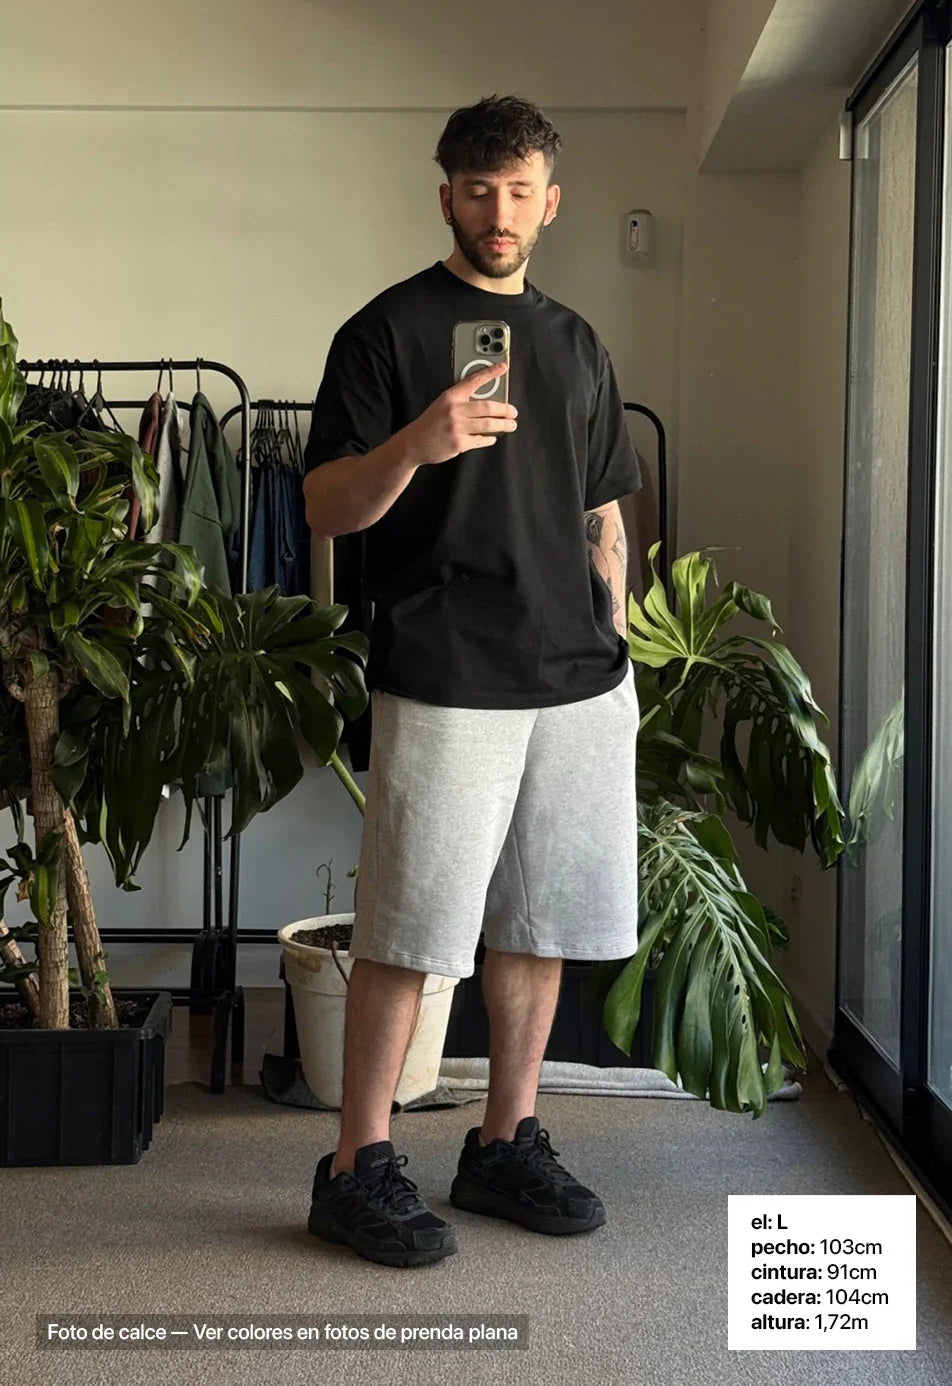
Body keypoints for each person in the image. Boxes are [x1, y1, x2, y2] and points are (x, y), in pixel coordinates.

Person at [302, 94, 642, 1269]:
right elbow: (326, 506)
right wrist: (419, 442)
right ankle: (356, 1164)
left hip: (577, 678)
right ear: (445, 194)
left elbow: (603, 511)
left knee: (538, 918)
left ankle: (503, 1139)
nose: (500, 212)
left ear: (551, 203)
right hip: (447, 667)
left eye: (520, 191)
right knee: (411, 924)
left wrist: (615, 630)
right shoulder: (385, 331)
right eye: (479, 189)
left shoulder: (577, 343)